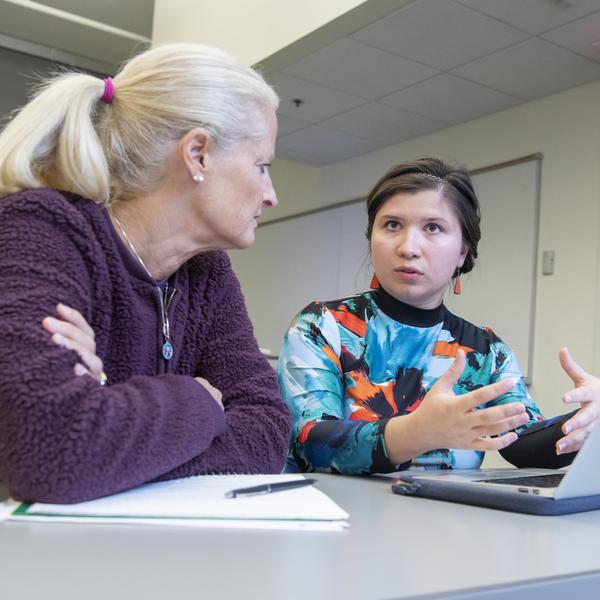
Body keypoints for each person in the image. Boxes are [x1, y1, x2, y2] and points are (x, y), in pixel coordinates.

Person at [0, 43, 291, 503]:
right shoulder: (43, 230)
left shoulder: (208, 273)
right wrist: (198, 399)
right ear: (198, 154)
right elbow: (52, 453)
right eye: (261, 166)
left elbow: (268, 433)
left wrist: (107, 410)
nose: (271, 194)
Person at [277, 158, 600, 474]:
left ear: (463, 251)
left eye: (433, 228)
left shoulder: (485, 351)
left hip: (448, 522)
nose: (408, 247)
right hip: (341, 516)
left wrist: (586, 425)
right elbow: (308, 444)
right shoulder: (323, 325)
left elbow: (523, 442)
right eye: (392, 225)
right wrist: (415, 432)